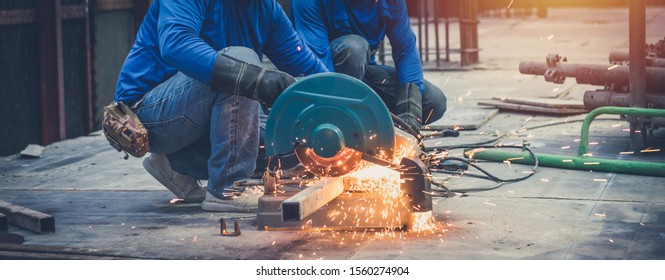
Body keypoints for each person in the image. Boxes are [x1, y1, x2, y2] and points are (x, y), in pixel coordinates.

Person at [113, 0, 328, 212]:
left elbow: (310, 69)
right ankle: (228, 189)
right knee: (242, 60)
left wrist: (344, 109)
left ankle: (175, 162)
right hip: (149, 114)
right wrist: (257, 79)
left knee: (294, 142)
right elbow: (176, 44)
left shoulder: (267, 9)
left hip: (208, 112)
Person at [290, 0, 447, 134]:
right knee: (355, 48)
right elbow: (316, 66)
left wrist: (409, 113)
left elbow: (405, 50)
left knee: (433, 101)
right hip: (321, 83)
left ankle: (378, 130)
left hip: (362, 73)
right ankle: (341, 127)